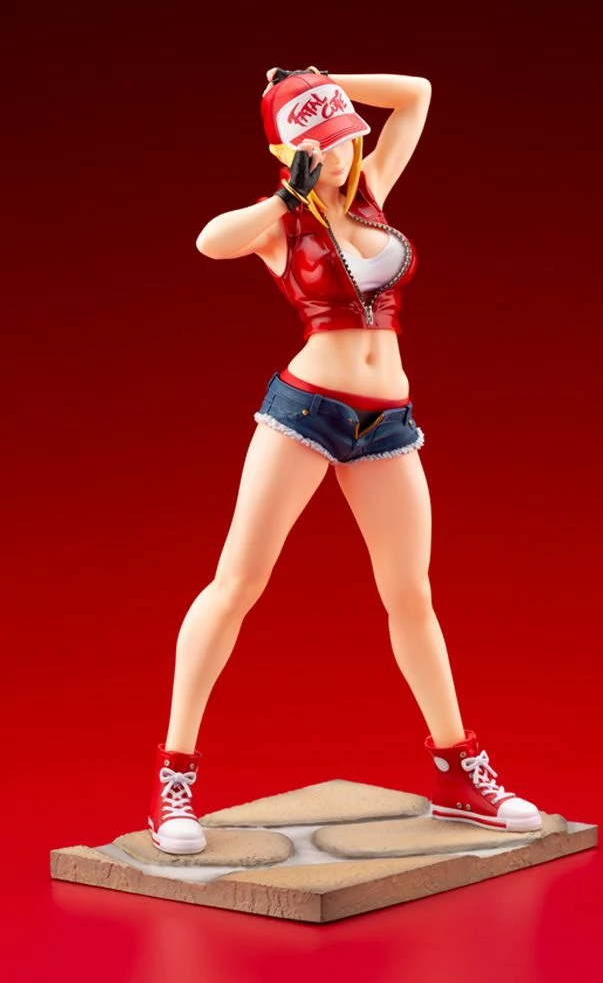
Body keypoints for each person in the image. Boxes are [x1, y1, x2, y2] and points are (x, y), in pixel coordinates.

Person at [147, 67, 543, 855]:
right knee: (237, 583)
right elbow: (208, 241)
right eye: (315, 145)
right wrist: (284, 194)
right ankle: (173, 779)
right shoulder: (280, 222)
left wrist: (324, 80)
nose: (333, 156)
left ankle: (458, 771)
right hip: (305, 411)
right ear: (287, 150)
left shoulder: (373, 197)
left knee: (410, 595)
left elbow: (418, 93)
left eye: (339, 140)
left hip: (387, 421)